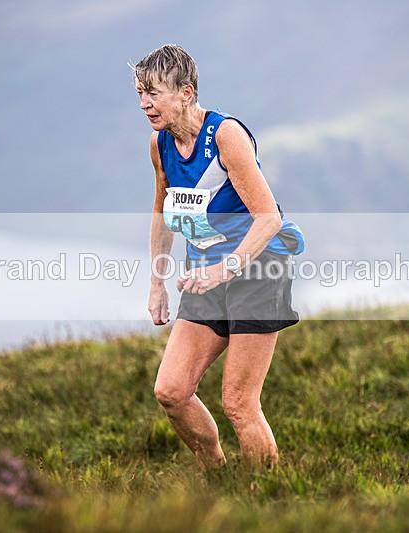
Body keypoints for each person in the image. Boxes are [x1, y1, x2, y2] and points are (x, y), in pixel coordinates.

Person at [133, 44, 305, 470]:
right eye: (140, 93)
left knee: (239, 404)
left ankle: (268, 493)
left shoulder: (226, 135)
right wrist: (157, 283)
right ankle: (218, 476)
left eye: (153, 93)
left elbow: (268, 218)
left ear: (186, 92)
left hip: (258, 270)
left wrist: (224, 270)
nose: (144, 104)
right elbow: (162, 213)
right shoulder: (160, 144)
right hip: (204, 274)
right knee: (171, 391)